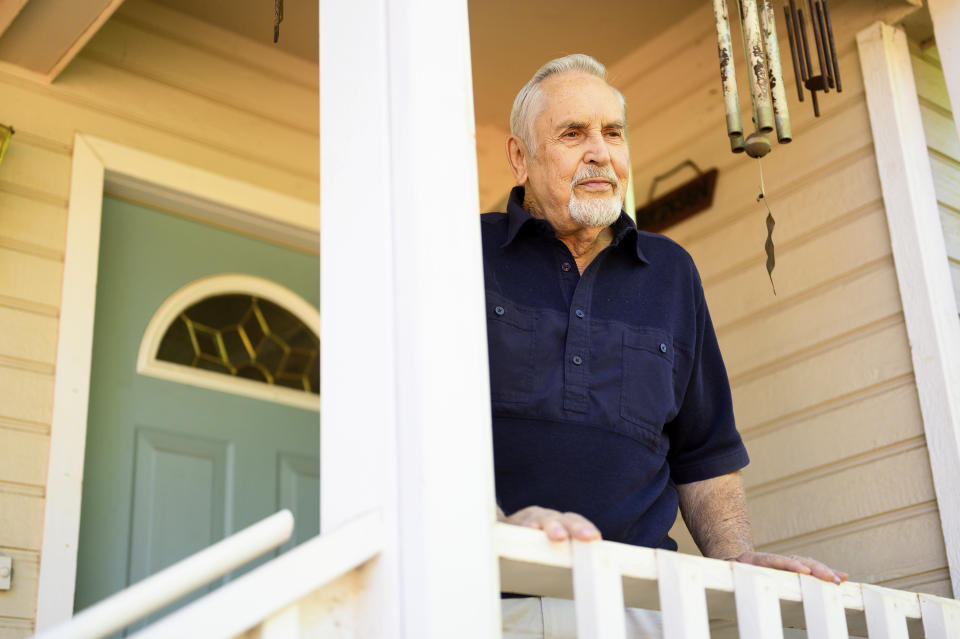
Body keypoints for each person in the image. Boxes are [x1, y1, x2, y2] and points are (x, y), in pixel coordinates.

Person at [481, 54, 847, 638]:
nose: (600, 151)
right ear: (519, 158)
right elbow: (423, 424)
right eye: (573, 133)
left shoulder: (671, 271)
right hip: (489, 595)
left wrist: (733, 557)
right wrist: (491, 524)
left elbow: (705, 451)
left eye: (613, 133)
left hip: (646, 606)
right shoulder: (466, 251)